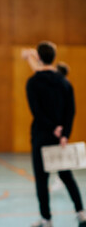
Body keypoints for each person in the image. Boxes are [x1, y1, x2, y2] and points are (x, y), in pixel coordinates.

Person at [24, 41, 86, 227]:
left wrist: (52, 127)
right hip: (61, 140)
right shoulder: (64, 82)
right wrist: (64, 132)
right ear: (54, 58)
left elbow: (37, 111)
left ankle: (47, 220)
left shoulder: (33, 82)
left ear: (39, 58)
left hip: (42, 137)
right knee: (67, 176)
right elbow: (71, 111)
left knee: (42, 181)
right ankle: (81, 214)